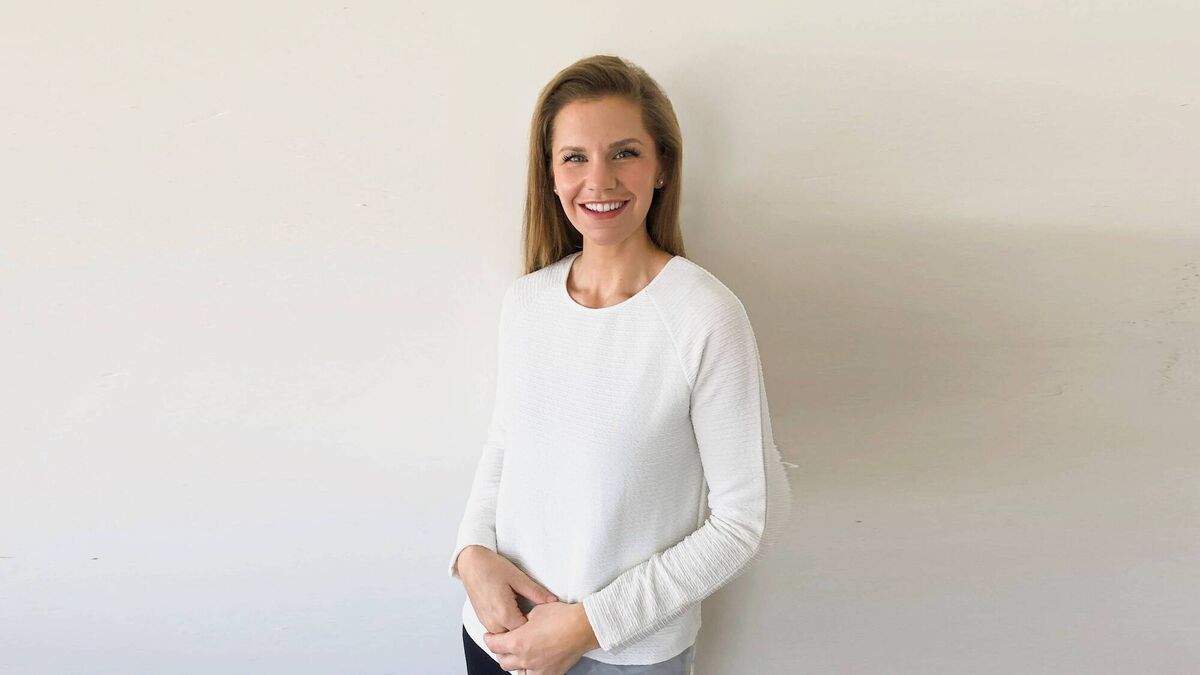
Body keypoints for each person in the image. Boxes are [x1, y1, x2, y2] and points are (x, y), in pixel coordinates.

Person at [448, 54, 794, 675]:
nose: (599, 180)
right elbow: (505, 445)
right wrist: (469, 554)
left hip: (625, 659)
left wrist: (588, 626)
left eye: (625, 153)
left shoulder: (704, 315)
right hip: (497, 638)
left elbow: (749, 520)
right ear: (550, 175)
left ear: (662, 165)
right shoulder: (525, 303)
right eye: (575, 157)